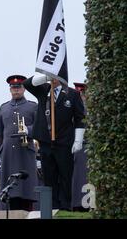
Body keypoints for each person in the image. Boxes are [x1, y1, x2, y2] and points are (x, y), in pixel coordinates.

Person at [23, 74, 85, 210]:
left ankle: (66, 207)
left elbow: (80, 118)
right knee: (49, 178)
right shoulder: (43, 90)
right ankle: (52, 208)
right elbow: (27, 84)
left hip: (64, 142)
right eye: (52, 75)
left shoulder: (72, 94)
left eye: (56, 75)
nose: (54, 78)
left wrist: (78, 140)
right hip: (45, 142)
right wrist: (45, 76)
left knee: (65, 176)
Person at [0, 75, 38, 211]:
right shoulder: (3, 107)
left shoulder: (33, 106)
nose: (16, 90)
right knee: (10, 190)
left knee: (26, 190)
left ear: (24, 88)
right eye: (13, 88)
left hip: (25, 151)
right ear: (10, 89)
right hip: (9, 153)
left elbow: (40, 127)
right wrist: (1, 151)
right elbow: (0, 133)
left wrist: (29, 130)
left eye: (19, 87)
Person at [71, 82, 89, 211]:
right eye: (78, 94)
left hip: (86, 147)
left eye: (82, 94)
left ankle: (86, 205)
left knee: (84, 179)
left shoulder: (91, 111)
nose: (81, 97)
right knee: (72, 179)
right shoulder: (69, 108)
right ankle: (73, 205)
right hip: (69, 146)